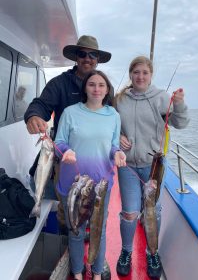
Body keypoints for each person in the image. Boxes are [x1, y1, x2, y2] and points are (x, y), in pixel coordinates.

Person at [24, 35, 113, 278]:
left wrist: (121, 141)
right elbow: (41, 104)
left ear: (98, 60)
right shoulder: (60, 84)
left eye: (92, 55)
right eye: (82, 54)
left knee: (96, 220)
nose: (87, 59)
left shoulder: (105, 88)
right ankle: (72, 257)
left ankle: (94, 260)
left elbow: (111, 119)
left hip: (95, 165)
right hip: (66, 161)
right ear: (76, 57)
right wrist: (34, 115)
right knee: (68, 212)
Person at [114, 56, 190, 278]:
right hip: (127, 165)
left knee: (152, 211)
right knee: (129, 213)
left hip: (153, 165)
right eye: (136, 72)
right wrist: (117, 137)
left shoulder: (160, 98)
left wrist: (179, 103)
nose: (140, 76)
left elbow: (180, 123)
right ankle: (126, 251)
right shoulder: (119, 100)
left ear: (151, 75)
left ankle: (152, 252)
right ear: (130, 74)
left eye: (144, 72)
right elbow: (110, 125)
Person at [54, 70, 126, 280]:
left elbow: (113, 146)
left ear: (107, 90)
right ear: (85, 87)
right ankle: (77, 273)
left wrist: (119, 153)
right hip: (72, 184)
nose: (96, 89)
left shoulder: (113, 115)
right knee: (75, 231)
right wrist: (65, 151)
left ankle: (96, 274)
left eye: (101, 85)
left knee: (98, 231)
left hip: (101, 185)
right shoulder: (70, 112)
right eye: (92, 84)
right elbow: (59, 142)